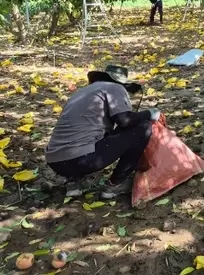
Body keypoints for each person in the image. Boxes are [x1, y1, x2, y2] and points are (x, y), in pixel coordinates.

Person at [45, 65, 160, 199]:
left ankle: (74, 181)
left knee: (89, 135)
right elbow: (125, 121)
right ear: (120, 82)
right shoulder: (115, 87)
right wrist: (149, 113)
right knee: (142, 127)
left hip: (55, 161)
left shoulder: (82, 93)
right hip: (82, 159)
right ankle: (115, 184)